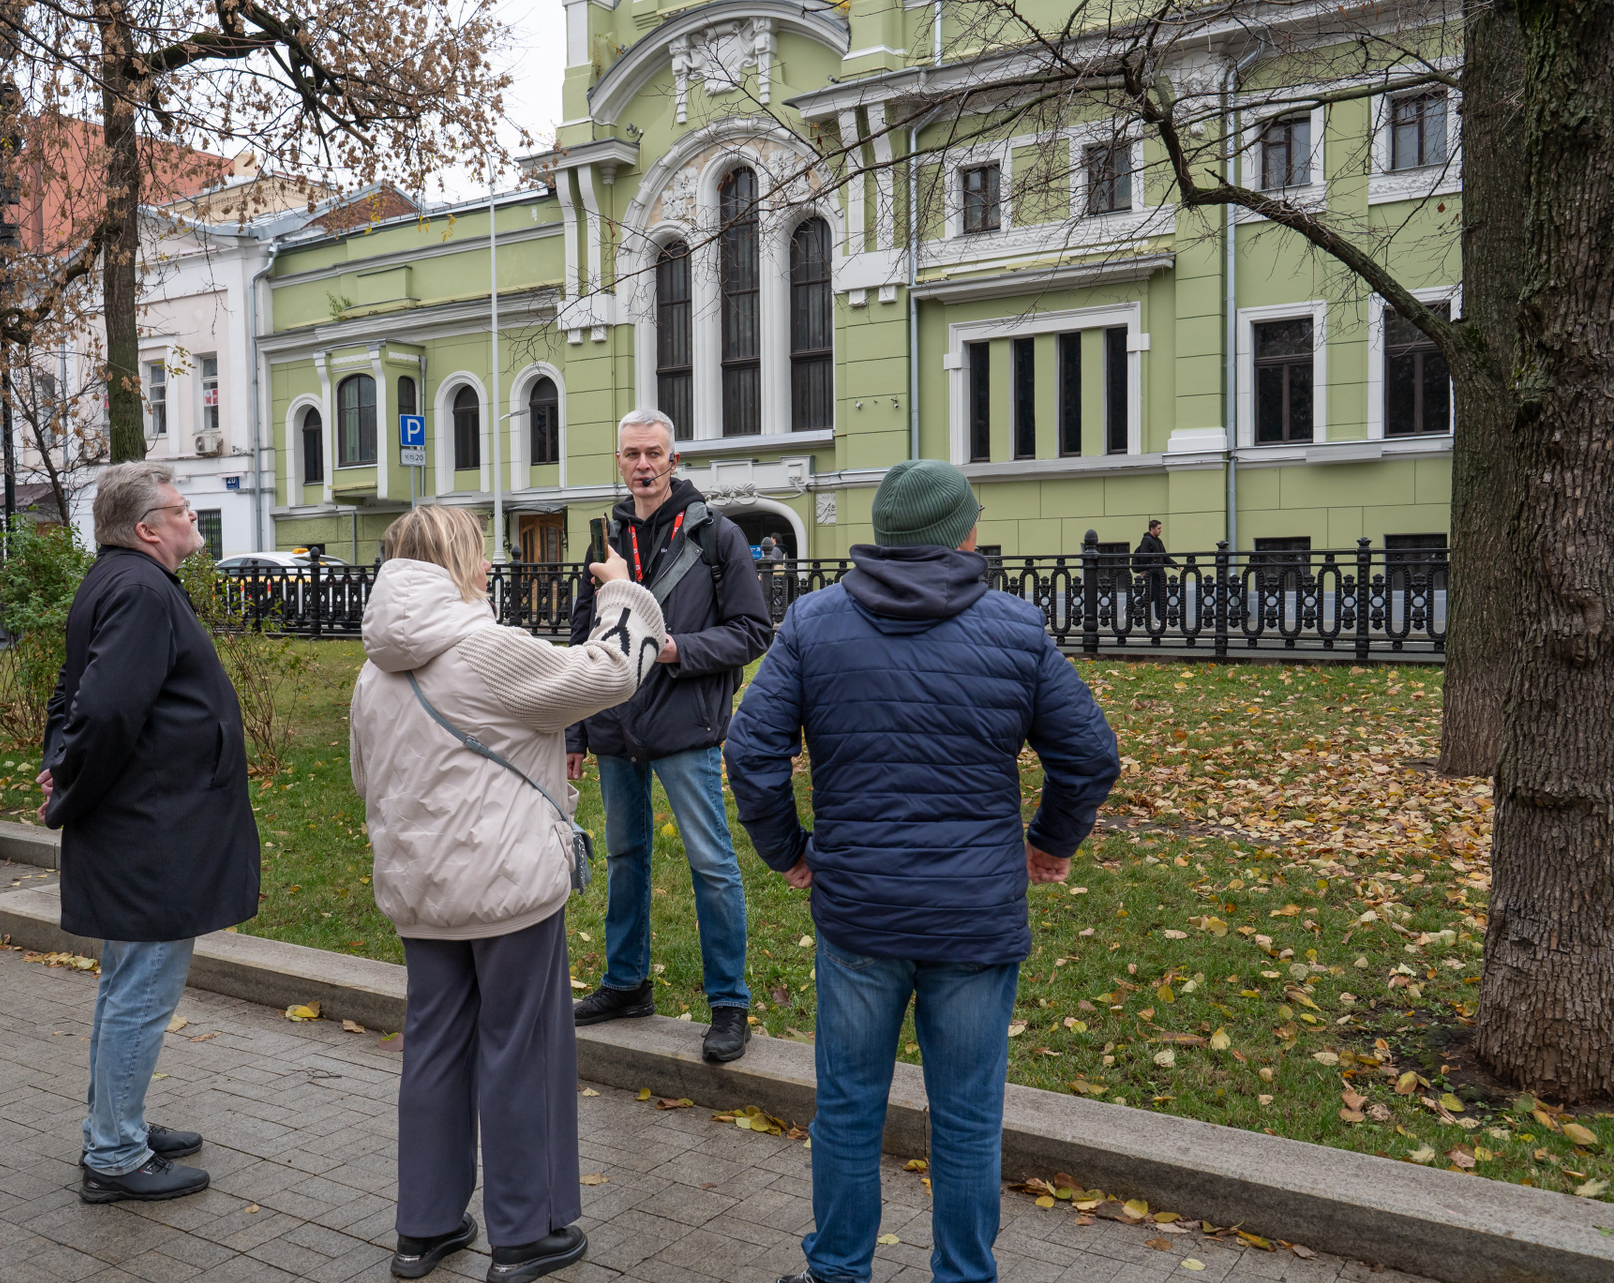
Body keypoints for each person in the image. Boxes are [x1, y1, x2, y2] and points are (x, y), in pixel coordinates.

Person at [724, 459, 1121, 1283]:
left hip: (860, 912)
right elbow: (1089, 754)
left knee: (847, 1107)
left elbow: (751, 750)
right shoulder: (1016, 627)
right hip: (975, 915)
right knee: (969, 1118)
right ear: (962, 534)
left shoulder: (813, 622)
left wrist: (788, 850)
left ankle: (838, 1270)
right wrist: (1051, 842)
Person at [350, 505, 664, 1283]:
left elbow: (366, 778)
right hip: (507, 887)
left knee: (432, 1048)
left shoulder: (373, 667)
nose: (488, 567)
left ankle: (424, 1227)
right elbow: (609, 673)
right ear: (455, 560)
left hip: (420, 892)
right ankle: (527, 1232)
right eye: (479, 553)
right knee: (522, 1052)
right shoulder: (484, 649)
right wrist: (621, 592)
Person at [37, 460, 260, 1205]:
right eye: (181, 508)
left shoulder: (120, 579)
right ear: (147, 529)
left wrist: (60, 764)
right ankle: (114, 1153)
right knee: (140, 990)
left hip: (148, 822)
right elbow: (101, 708)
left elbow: (73, 692)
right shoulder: (137, 588)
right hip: (153, 829)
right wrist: (70, 779)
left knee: (125, 984)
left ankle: (115, 1121)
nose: (192, 515)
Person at [564, 408, 774, 1064]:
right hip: (613, 722)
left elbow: (752, 632)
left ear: (673, 460)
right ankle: (626, 984)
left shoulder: (716, 535)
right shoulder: (605, 537)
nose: (643, 465)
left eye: (654, 453)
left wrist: (674, 647)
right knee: (625, 857)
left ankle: (729, 1003)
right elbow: (581, 637)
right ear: (620, 462)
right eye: (632, 454)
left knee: (711, 863)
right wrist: (573, 731)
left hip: (685, 725)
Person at [1135, 518, 1177, 628]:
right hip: (1152, 573)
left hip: (1158, 572)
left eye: (1160, 528)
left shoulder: (1158, 541)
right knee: (1158, 595)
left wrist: (1175, 565)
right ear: (1152, 529)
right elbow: (1144, 557)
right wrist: (1146, 570)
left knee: (1152, 596)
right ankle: (1159, 618)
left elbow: (1164, 556)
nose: (1160, 530)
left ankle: (1131, 607)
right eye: (1158, 528)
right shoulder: (1147, 540)